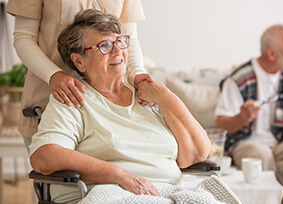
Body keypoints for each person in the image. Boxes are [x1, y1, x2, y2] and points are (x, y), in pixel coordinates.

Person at [28, 9, 211, 204]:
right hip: (108, 194)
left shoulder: (149, 96)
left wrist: (168, 98)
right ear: (79, 61)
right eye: (104, 46)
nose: (118, 52)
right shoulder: (74, 99)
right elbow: (44, 157)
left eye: (119, 41)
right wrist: (122, 176)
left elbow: (197, 154)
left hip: (168, 194)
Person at [5, 0, 153, 147]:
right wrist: (53, 75)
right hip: (54, 95)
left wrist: (137, 73)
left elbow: (129, 37)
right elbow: (24, 38)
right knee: (55, 162)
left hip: (108, 100)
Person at [215, 24, 283, 186]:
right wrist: (241, 118)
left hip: (281, 143)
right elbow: (220, 124)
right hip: (245, 143)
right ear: (272, 54)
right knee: (262, 156)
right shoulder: (238, 79)